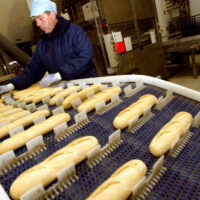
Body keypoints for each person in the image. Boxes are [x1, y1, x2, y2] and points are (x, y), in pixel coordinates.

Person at [0, 0, 98, 95]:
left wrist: (61, 74)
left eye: (40, 18)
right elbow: (32, 71)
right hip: (64, 92)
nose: (38, 24)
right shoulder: (42, 46)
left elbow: (86, 57)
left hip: (88, 88)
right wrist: (12, 85)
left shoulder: (75, 32)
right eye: (35, 20)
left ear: (52, 14)